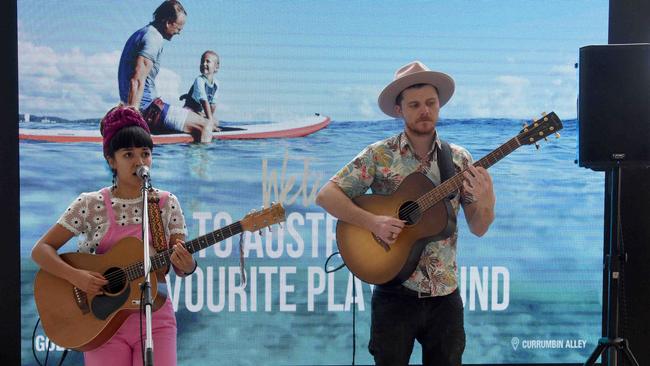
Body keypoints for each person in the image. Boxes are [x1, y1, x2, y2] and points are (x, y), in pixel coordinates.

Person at [315, 60, 496, 366]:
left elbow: (479, 227)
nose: (424, 110)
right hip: (394, 295)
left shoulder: (459, 158)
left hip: (445, 297)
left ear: (439, 105)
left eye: (430, 103)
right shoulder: (379, 154)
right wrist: (373, 222)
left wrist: (486, 198)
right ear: (399, 109)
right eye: (414, 105)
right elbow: (326, 195)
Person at [31, 105, 197, 365]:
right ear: (111, 160)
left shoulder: (165, 203)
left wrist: (188, 266)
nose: (140, 162)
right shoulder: (90, 203)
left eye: (145, 153)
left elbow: (177, 262)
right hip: (101, 323)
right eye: (128, 154)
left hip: (156, 320)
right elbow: (41, 250)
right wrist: (78, 278)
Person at [117, 0, 214, 143]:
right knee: (206, 125)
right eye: (179, 27)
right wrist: (132, 123)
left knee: (202, 119)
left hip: (141, 108)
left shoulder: (142, 33)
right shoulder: (153, 38)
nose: (179, 32)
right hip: (148, 111)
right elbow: (136, 80)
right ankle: (200, 165)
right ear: (168, 22)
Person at [180, 50, 220, 130]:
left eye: (207, 61)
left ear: (216, 67)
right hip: (189, 111)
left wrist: (210, 118)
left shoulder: (216, 84)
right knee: (209, 121)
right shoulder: (199, 80)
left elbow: (213, 104)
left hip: (198, 112)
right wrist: (209, 121)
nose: (204, 64)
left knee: (217, 121)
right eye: (202, 62)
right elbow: (204, 101)